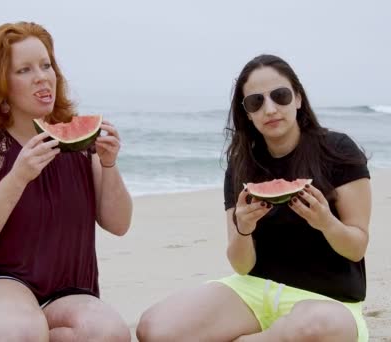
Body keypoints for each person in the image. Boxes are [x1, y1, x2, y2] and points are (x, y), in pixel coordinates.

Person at [136, 54, 372, 341]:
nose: (270, 109)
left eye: (280, 96)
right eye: (255, 102)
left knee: (315, 328)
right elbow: (241, 266)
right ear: (247, 112)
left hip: (330, 303)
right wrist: (243, 229)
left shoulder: (337, 150)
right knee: (155, 329)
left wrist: (326, 223)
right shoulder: (241, 165)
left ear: (298, 98)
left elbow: (356, 247)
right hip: (254, 291)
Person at [0, 22, 133, 341]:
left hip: (62, 291)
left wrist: (109, 165)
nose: (42, 76)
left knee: (109, 332)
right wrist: (18, 177)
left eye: (46, 65)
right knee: (23, 329)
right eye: (24, 70)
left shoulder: (77, 145)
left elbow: (119, 224)